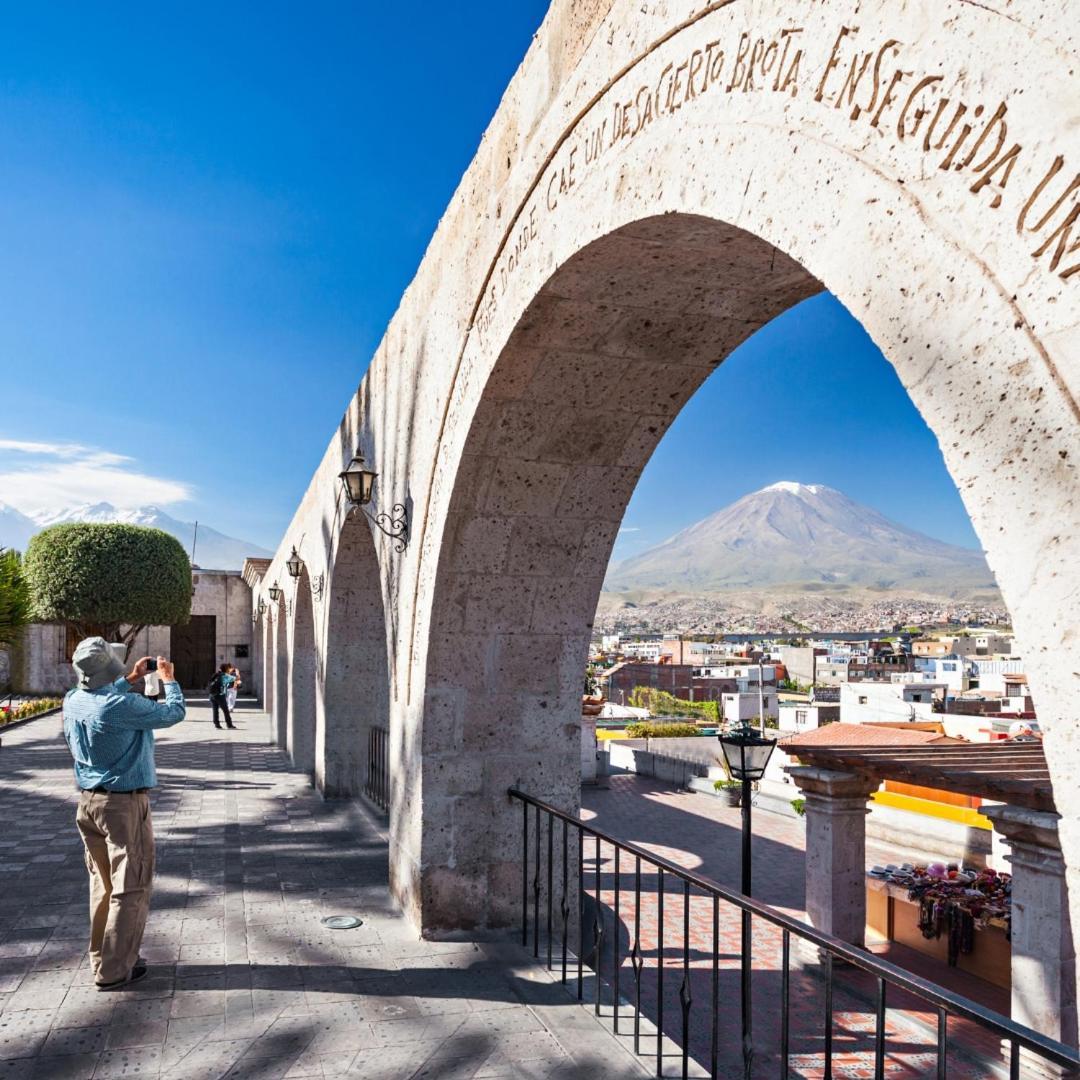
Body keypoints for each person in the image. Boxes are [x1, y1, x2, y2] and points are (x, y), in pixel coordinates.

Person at [62, 637, 186, 990]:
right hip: (123, 806)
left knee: (102, 885)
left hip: (89, 804)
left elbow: (102, 695)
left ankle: (103, 958)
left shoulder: (73, 700)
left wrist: (129, 678)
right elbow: (173, 713)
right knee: (131, 886)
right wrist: (169, 680)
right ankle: (115, 970)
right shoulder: (120, 706)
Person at [208, 663, 236, 730]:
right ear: (226, 669)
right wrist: (235, 672)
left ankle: (217, 724)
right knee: (226, 710)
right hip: (220, 695)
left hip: (212, 695)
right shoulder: (225, 676)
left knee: (215, 710)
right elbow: (234, 678)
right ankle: (229, 725)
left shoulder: (215, 674)